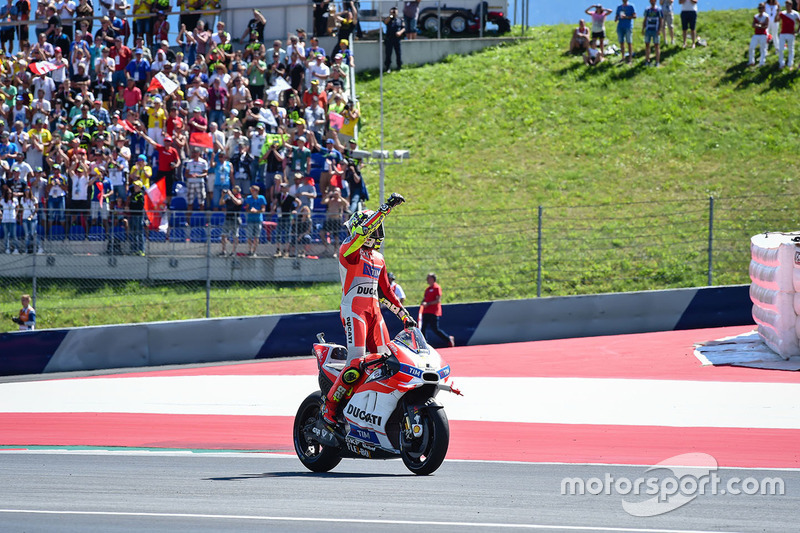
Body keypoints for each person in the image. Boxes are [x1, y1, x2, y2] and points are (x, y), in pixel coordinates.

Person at [315, 192, 416, 446]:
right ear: (362, 227)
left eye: (379, 226)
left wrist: (405, 317)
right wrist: (385, 209)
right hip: (354, 311)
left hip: (375, 313)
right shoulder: (348, 250)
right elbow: (360, 236)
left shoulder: (379, 258)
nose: (379, 232)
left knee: (385, 362)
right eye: (375, 226)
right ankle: (329, 408)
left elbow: (387, 292)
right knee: (357, 361)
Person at [421, 272, 455, 348]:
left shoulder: (437, 288)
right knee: (423, 328)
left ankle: (448, 338)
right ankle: (425, 344)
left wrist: (428, 304)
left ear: (433, 279)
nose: (427, 279)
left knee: (435, 329)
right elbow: (425, 298)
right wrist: (423, 303)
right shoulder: (427, 289)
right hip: (426, 311)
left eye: (429, 278)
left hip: (433, 312)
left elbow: (438, 300)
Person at [242, 184, 266, 257]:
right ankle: (250, 250)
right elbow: (246, 209)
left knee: (256, 236)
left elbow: (263, 209)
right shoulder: (249, 198)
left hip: (258, 219)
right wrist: (250, 210)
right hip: (250, 219)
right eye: (251, 191)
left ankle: (254, 251)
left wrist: (256, 211)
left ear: (257, 191)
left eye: (253, 190)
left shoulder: (262, 198)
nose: (252, 192)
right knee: (249, 236)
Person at [219, 185, 242, 256]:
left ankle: (233, 251)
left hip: (235, 218)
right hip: (228, 218)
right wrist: (222, 196)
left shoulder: (240, 197)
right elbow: (221, 203)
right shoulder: (228, 198)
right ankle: (223, 250)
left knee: (235, 236)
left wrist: (231, 195)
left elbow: (238, 202)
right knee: (223, 234)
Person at [777, 0, 800, 68]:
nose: (787, 6)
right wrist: (777, 12)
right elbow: (777, 20)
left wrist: (796, 31)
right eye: (786, 5)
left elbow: (799, 22)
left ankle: (790, 63)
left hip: (791, 33)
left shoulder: (795, 14)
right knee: (781, 49)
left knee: (791, 49)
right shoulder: (782, 13)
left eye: (789, 5)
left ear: (791, 5)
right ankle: (781, 63)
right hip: (783, 33)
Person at [642, 0, 663, 66]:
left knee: (656, 46)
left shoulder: (659, 10)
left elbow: (661, 20)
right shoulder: (647, 10)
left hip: (655, 30)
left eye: (653, 1)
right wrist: (643, 28)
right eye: (651, 1)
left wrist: (659, 29)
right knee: (647, 45)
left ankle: (657, 62)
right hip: (648, 30)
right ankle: (647, 60)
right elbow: (645, 19)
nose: (652, 2)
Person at [384, 6, 404, 72]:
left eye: (395, 11)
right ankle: (388, 67)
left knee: (398, 53)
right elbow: (385, 22)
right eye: (393, 11)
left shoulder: (400, 20)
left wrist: (400, 32)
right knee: (388, 54)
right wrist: (391, 15)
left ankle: (399, 66)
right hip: (389, 39)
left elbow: (404, 28)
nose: (394, 12)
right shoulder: (389, 18)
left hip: (397, 39)